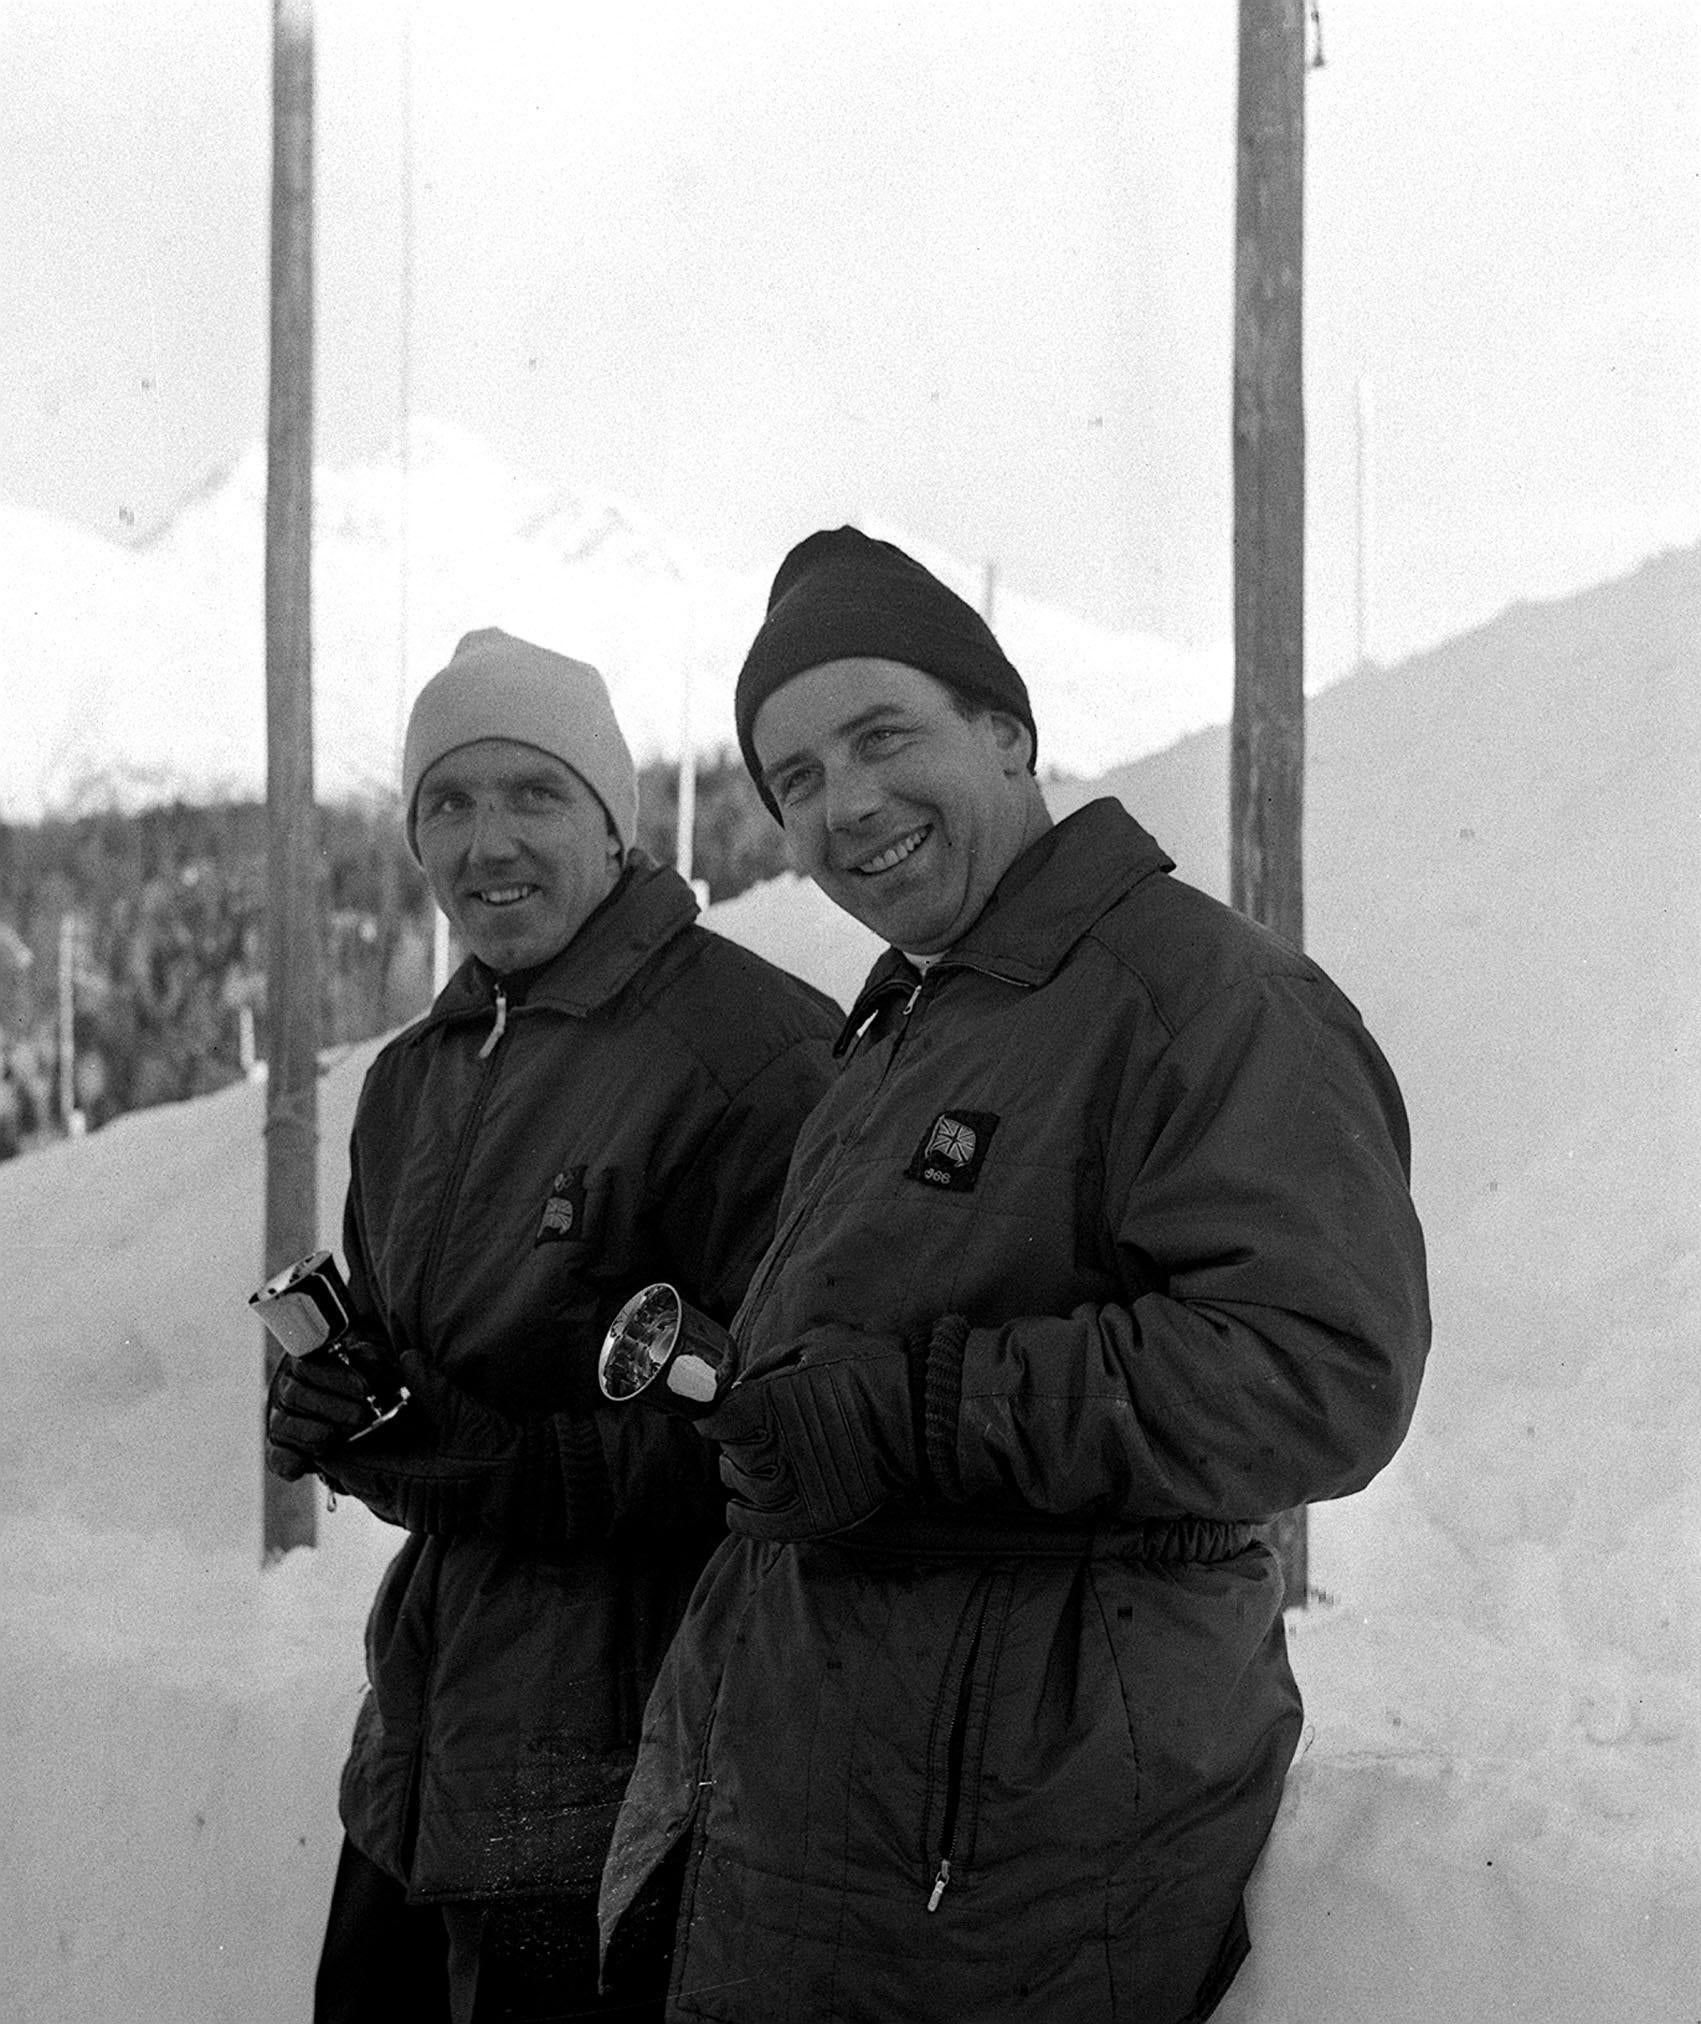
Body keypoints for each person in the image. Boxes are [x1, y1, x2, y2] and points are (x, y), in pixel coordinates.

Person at [598, 530, 1432, 2022]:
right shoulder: (916, 1020)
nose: (845, 803)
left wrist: (912, 1414)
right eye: (794, 778)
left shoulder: (1201, 998)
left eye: (881, 736)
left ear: (1007, 732)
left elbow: (1319, 1371)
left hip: (1014, 1859)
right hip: (844, 1830)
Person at [265, 627, 841, 2023]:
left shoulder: (752, 1053)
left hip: (628, 1774)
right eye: (446, 804)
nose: (485, 843)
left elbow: (788, 1437)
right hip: (419, 1763)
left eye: (531, 793)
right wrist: (344, 1424)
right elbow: (419, 1399)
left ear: (611, 818)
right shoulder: (414, 1081)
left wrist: (495, 1465)